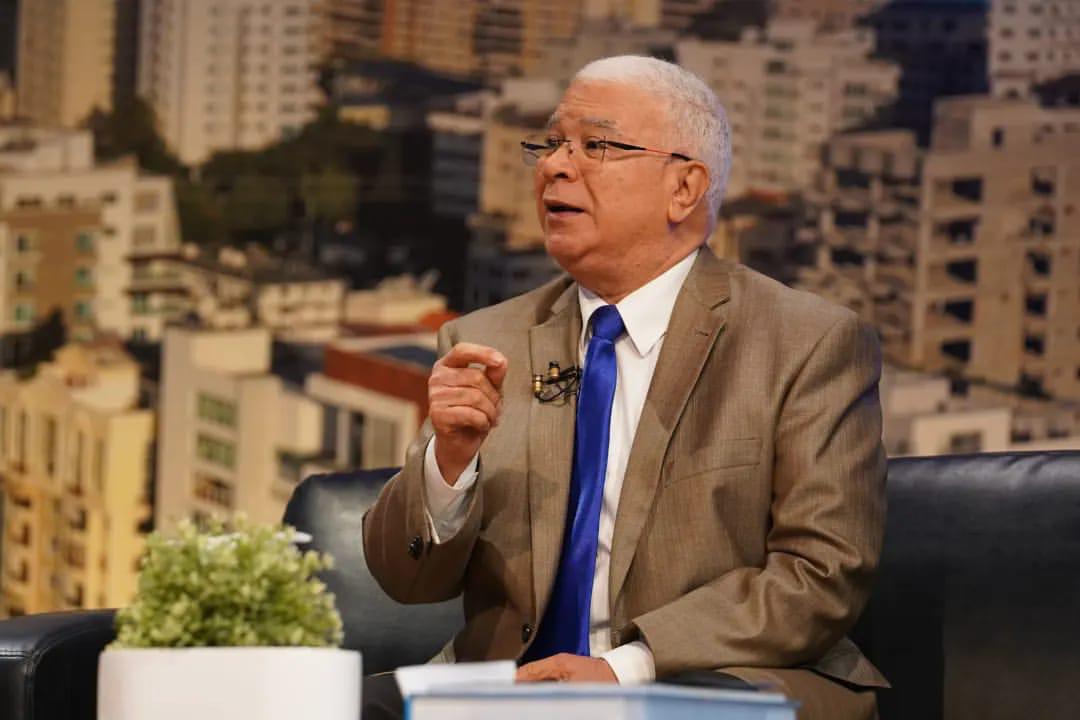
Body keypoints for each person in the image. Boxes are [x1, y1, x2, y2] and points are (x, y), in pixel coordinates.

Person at [362, 55, 888, 720]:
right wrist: (449, 463)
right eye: (552, 143)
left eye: (596, 146)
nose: (556, 166)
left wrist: (622, 671)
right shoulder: (487, 340)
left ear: (684, 188)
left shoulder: (806, 343)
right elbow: (406, 579)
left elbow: (819, 578)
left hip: (703, 682)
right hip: (511, 691)